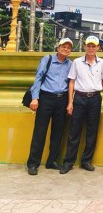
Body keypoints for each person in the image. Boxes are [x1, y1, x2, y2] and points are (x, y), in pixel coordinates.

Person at [60, 35, 103, 174]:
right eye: (89, 45)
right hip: (79, 98)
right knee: (74, 131)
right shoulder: (77, 62)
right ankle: (69, 161)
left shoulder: (102, 63)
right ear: (84, 46)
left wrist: (94, 87)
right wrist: (70, 102)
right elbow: (71, 82)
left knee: (92, 131)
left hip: (94, 98)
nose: (91, 48)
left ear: (98, 48)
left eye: (94, 46)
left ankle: (86, 160)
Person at [26, 38, 73, 175]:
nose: (65, 49)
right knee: (40, 131)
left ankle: (51, 161)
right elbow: (38, 79)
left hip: (62, 99)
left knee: (58, 132)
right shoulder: (47, 60)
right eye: (63, 46)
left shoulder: (70, 64)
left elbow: (71, 82)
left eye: (68, 47)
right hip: (46, 98)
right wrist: (35, 98)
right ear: (58, 47)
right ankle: (33, 163)